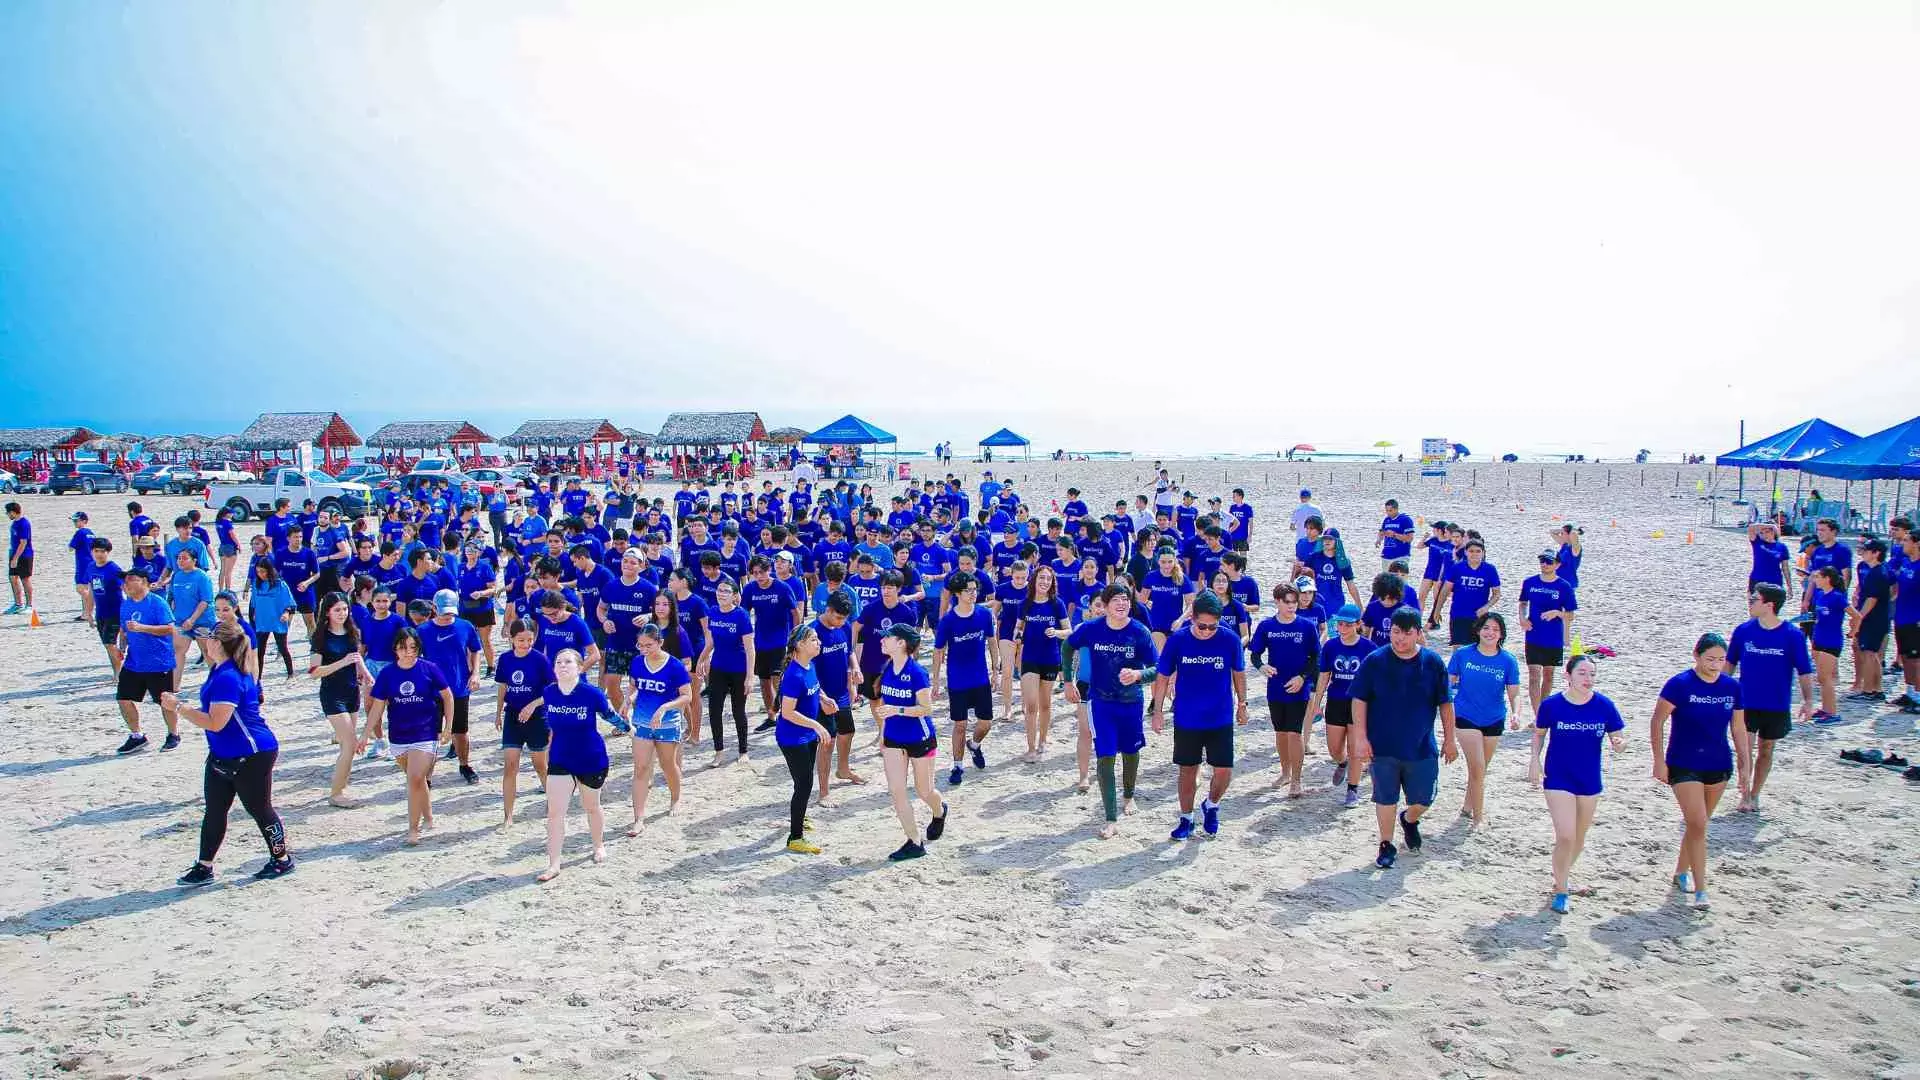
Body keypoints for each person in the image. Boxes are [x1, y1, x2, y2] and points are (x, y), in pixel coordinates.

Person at [163, 624, 294, 885]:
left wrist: (178, 707)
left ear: (219, 644)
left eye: (210, 638)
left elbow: (215, 722)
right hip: (222, 753)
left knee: (259, 808)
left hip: (252, 754)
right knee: (214, 810)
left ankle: (281, 859)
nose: (205, 642)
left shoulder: (229, 678)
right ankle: (204, 866)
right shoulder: (218, 670)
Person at [1350, 609, 1455, 869]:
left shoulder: (1433, 663)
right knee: (1385, 797)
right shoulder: (1375, 661)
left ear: (1419, 634)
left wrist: (1450, 739)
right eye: (1396, 632)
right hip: (1382, 746)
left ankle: (1409, 819)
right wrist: (1360, 738)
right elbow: (1359, 699)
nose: (1400, 639)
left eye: (1407, 633)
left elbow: (1445, 703)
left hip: (1420, 746)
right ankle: (1386, 844)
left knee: (1424, 798)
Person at [1651, 633, 1748, 910]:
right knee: (1698, 823)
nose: (1715, 665)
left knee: (1697, 825)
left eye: (1720, 659)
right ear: (1697, 656)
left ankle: (1680, 872)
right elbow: (1657, 722)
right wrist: (1659, 760)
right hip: (1683, 763)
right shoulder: (1680, 685)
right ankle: (1701, 888)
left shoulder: (1732, 687)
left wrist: (1744, 765)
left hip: (1718, 764)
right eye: (1710, 659)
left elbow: (1738, 729)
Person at [1056, 586, 1158, 838]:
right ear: (1105, 604)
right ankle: (1110, 818)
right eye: (1116, 600)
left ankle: (1129, 794)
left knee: (1132, 751)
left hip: (1131, 702)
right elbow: (1067, 647)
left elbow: (1158, 667)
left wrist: (1138, 675)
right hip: (1100, 702)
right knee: (1105, 756)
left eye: (1126, 599)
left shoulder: (1139, 632)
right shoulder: (1092, 628)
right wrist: (1068, 680)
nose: (1122, 604)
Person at [1529, 655, 1626, 914]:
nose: (1588, 679)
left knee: (1579, 839)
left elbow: (1618, 736)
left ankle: (1560, 876)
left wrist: (1619, 744)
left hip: (1590, 779)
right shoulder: (1552, 705)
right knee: (1566, 835)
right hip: (1558, 776)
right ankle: (1562, 889)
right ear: (1568, 676)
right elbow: (1539, 735)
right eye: (1582, 673)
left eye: (1592, 674)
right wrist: (1534, 762)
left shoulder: (1604, 705)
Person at [1151, 591, 1247, 839]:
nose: (1206, 631)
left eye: (1212, 627)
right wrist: (1158, 711)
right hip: (1187, 717)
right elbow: (1162, 677)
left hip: (1220, 716)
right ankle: (1186, 818)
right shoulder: (1178, 640)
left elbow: (1238, 673)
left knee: (1224, 770)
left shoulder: (1229, 639)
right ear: (1192, 618)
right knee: (1188, 770)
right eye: (1201, 626)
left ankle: (1212, 805)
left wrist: (1243, 704)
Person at [524, 648, 620, 881]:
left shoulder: (591, 693)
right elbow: (552, 725)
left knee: (591, 807)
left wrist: (627, 728)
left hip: (591, 758)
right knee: (555, 812)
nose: (562, 665)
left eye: (568, 662)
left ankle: (598, 845)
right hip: (560, 759)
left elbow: (609, 715)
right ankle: (554, 864)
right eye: (558, 662)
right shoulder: (549, 693)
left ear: (579, 667)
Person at [1724, 583, 1812, 812]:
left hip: (1776, 703)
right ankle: (1744, 795)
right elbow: (1730, 664)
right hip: (1746, 702)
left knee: (1766, 750)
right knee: (1745, 750)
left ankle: (1755, 793)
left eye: (1755, 599)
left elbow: (1804, 670)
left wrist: (1808, 700)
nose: (1750, 602)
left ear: (1769, 605)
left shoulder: (1792, 635)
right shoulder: (1743, 631)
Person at [365, 625, 454, 844]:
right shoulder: (387, 673)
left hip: (425, 731)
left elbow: (448, 697)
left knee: (414, 778)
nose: (409, 652)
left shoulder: (429, 668)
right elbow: (377, 706)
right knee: (417, 780)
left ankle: (413, 829)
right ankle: (429, 816)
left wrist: (448, 727)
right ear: (395, 648)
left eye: (413, 647)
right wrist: (365, 735)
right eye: (404, 647)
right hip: (398, 735)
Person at [873, 625, 948, 860]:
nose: (883, 640)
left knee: (924, 791)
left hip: (920, 738)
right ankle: (914, 842)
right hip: (894, 738)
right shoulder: (887, 670)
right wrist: (883, 736)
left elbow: (926, 708)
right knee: (897, 791)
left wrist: (899, 709)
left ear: (902, 643)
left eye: (889, 637)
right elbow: (884, 707)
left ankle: (940, 810)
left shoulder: (916, 672)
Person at [1447, 612, 1522, 825]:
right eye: (1486, 628)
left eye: (1496, 630)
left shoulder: (1508, 660)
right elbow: (1447, 682)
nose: (1490, 633)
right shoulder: (1463, 654)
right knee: (1478, 767)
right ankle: (1478, 819)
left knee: (1479, 770)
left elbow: (1514, 692)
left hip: (1494, 718)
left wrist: (1516, 714)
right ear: (1478, 630)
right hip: (1465, 716)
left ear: (1501, 635)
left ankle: (1467, 806)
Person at [1248, 582, 1318, 796]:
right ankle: (1285, 772)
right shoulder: (1267, 626)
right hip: (1276, 687)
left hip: (1298, 687)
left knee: (1294, 733)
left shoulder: (1306, 626)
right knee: (1280, 733)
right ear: (1277, 602)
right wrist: (1262, 666)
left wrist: (1302, 677)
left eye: (1294, 602)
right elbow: (1255, 654)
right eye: (1287, 602)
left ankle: (1297, 780)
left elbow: (1316, 657)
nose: (1292, 606)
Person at [625, 623, 692, 834]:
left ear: (660, 643)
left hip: (668, 722)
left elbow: (687, 696)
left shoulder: (674, 666)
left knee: (668, 765)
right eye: (640, 645)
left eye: (649, 645)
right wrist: (628, 700)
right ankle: (639, 818)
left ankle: (675, 799)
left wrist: (665, 707)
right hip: (642, 721)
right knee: (641, 768)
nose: (644, 650)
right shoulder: (637, 662)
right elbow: (635, 687)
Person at [933, 570, 997, 785]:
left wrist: (996, 670)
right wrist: (935, 682)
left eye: (974, 590)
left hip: (980, 677)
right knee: (960, 725)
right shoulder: (948, 621)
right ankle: (957, 766)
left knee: (986, 723)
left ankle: (975, 745)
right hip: (957, 679)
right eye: (968, 591)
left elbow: (991, 640)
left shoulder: (984, 615)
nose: (973, 594)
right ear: (958, 594)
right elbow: (938, 651)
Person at [1310, 604, 1376, 808]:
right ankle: (1341, 762)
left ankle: (1352, 789)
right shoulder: (1330, 646)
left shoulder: (1369, 648)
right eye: (1340, 624)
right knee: (1334, 748)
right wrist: (1316, 703)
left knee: (1356, 749)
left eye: (1348, 625)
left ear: (1358, 625)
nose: (1343, 628)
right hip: (1336, 700)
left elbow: (1376, 680)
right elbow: (1324, 676)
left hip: (1359, 703)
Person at [309, 591, 371, 809]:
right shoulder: (321, 637)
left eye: (344, 609)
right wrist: (342, 663)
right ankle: (336, 793)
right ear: (327, 612)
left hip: (352, 691)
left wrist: (365, 673)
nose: (342, 613)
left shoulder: (352, 631)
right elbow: (315, 671)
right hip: (332, 694)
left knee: (348, 746)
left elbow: (356, 657)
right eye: (337, 610)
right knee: (349, 743)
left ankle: (341, 785)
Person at [776, 624, 833, 854]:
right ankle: (795, 837)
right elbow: (787, 712)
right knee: (804, 784)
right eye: (813, 640)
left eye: (818, 639)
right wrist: (816, 724)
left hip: (807, 734)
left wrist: (825, 699)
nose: (818, 642)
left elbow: (814, 690)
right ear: (800, 645)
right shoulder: (793, 675)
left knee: (804, 780)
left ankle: (800, 817)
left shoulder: (809, 665)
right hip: (792, 737)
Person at [114, 567, 182, 755]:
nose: (126, 584)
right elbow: (124, 629)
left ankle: (173, 734)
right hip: (134, 662)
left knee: (164, 701)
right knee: (123, 698)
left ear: (144, 582)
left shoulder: (157, 603)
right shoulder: (126, 604)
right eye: (125, 580)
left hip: (158, 661)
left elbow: (170, 629)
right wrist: (122, 647)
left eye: (131, 580)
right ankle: (137, 736)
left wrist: (142, 628)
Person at [420, 589, 484, 783]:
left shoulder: (466, 626)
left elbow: (476, 650)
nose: (448, 617)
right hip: (432, 691)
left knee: (460, 731)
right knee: (432, 735)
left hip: (459, 687)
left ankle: (464, 765)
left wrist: (475, 673)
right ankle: (427, 776)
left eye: (451, 613)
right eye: (444, 613)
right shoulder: (423, 631)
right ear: (434, 608)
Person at [493, 619, 552, 827]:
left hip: (537, 716)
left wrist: (533, 705)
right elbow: (503, 686)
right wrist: (498, 712)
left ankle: (553, 801)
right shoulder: (505, 659)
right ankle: (508, 815)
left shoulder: (540, 660)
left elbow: (551, 691)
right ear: (511, 638)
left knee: (540, 765)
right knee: (510, 765)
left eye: (530, 639)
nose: (526, 644)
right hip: (513, 716)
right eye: (521, 640)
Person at [1012, 565, 1070, 763]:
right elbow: (1018, 628)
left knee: (1045, 704)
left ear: (1052, 582)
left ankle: (1043, 740)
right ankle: (1030, 747)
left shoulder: (1057, 604)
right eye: (1041, 578)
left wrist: (1057, 633)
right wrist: (1017, 636)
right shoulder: (1025, 604)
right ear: (1034, 581)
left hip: (1051, 658)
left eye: (1048, 579)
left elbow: (1068, 630)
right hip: (1029, 657)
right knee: (1030, 704)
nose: (1045, 582)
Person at [808, 590, 862, 802]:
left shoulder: (845, 626)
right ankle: (823, 791)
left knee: (848, 732)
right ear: (828, 610)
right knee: (827, 741)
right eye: (838, 617)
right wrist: (821, 697)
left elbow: (848, 651)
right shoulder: (812, 632)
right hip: (820, 696)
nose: (841, 622)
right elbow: (806, 669)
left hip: (841, 691)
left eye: (844, 619)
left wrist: (855, 670)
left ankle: (843, 769)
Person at [1517, 550, 1578, 715]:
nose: (1544, 564)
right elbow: (1523, 602)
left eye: (1549, 561)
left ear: (1557, 565)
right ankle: (1538, 716)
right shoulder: (1530, 582)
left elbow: (1571, 615)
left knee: (1549, 676)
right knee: (1534, 675)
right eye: (1542, 560)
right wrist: (1522, 618)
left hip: (1553, 638)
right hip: (1533, 635)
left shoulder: (1564, 587)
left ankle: (1543, 711)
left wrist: (1557, 613)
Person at [166, 547, 217, 690]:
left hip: (202, 621)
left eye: (184, 558)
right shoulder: (177, 576)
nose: (180, 561)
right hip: (181, 620)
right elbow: (172, 598)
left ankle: (217, 684)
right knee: (178, 651)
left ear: (194, 560)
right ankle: (174, 686)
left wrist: (192, 620)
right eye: (179, 558)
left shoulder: (202, 576)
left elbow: (205, 601)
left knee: (208, 653)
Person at [1848, 539, 1892, 701]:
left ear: (1876, 553)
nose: (1863, 552)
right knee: (1872, 655)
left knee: (1868, 654)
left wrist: (1858, 617)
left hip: (1873, 619)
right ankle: (1876, 689)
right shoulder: (1878, 570)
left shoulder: (1877, 573)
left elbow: (1871, 599)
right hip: (1878, 618)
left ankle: (1868, 690)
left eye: (1866, 550)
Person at [1806, 566, 1848, 723]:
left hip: (1831, 641)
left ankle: (1832, 712)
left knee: (1826, 678)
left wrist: (1853, 630)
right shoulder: (1820, 595)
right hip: (1819, 639)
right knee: (1821, 678)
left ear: (1827, 579)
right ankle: (1825, 708)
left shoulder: (1837, 597)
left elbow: (1855, 615)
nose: (1815, 580)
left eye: (1818, 577)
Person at [249, 558, 297, 679]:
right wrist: (253, 615)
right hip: (262, 621)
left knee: (283, 648)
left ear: (269, 571)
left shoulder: (280, 584)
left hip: (277, 621)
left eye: (263, 571)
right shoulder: (256, 584)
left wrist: (286, 613)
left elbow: (290, 604)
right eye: (258, 572)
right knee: (260, 651)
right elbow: (253, 602)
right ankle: (257, 676)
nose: (261, 574)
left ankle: (290, 673)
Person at [88, 538, 127, 675]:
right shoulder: (91, 567)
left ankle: (119, 672)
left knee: (110, 643)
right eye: (96, 551)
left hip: (115, 612)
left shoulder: (113, 569)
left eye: (102, 551)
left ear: (108, 552)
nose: (99, 554)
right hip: (100, 613)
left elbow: (125, 588)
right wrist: (89, 612)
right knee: (107, 644)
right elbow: (91, 590)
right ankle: (117, 668)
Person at [67, 511, 93, 623]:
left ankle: (88, 612)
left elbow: (71, 547)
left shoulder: (80, 533)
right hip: (91, 562)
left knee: (81, 588)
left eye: (76, 520)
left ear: (84, 521)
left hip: (83, 563)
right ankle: (85, 613)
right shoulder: (90, 532)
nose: (74, 522)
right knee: (86, 588)